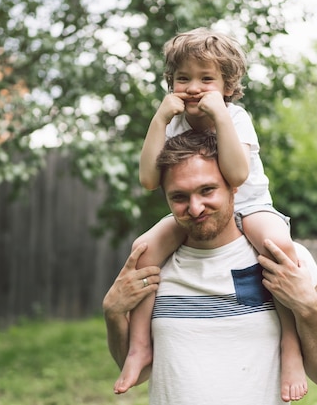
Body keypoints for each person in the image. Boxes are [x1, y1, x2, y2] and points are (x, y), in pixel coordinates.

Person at [114, 27, 305, 402]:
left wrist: (219, 116)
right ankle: (139, 347)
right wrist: (158, 120)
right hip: (194, 209)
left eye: (207, 79)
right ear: (170, 83)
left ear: (228, 86)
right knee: (143, 250)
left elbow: (236, 176)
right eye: (183, 78)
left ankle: (291, 347)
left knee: (278, 245)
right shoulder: (173, 120)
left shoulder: (235, 116)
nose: (194, 87)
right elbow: (149, 179)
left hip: (248, 206)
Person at [104, 130, 317, 404]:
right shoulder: (154, 267)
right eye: (180, 197)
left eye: (207, 190)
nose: (195, 208)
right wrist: (113, 314)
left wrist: (308, 308)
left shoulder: (283, 261)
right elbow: (138, 367)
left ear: (234, 185)